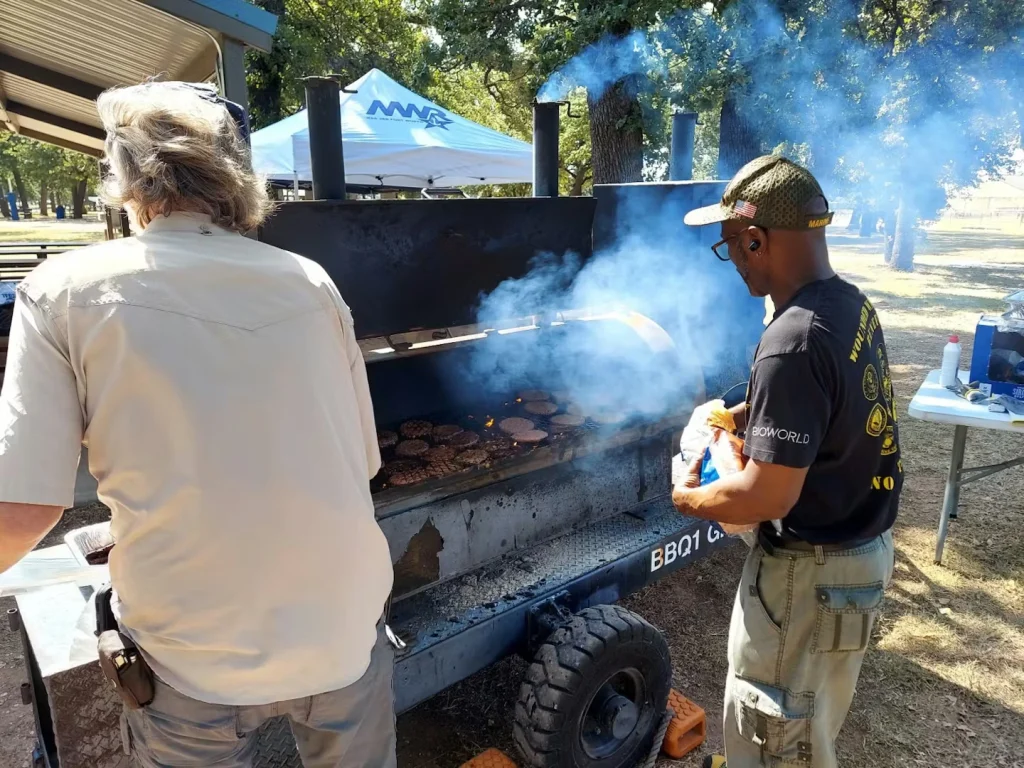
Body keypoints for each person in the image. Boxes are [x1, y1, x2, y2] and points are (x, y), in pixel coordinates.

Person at [0, 81, 395, 768]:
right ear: (232, 176)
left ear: (123, 176)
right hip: (342, 636)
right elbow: (362, 463)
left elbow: (21, 510)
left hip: (191, 660)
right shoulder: (310, 280)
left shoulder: (61, 292)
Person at [675, 155, 901, 768]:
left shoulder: (791, 339)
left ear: (756, 239)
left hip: (809, 579)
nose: (733, 263)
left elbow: (764, 498)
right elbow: (835, 402)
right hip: (857, 561)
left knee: (776, 742)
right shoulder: (850, 306)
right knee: (810, 734)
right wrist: (751, 413)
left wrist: (687, 498)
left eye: (730, 248)